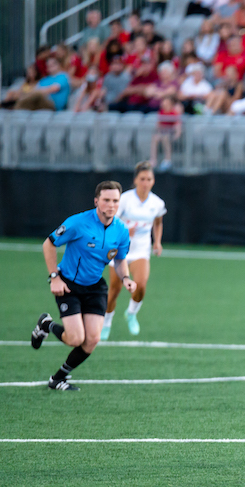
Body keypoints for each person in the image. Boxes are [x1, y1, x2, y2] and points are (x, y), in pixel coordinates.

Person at [30, 181, 136, 391]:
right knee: (75, 338)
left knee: (92, 339)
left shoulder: (121, 231)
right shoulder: (78, 222)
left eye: (115, 200)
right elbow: (49, 244)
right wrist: (54, 277)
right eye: (106, 200)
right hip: (68, 285)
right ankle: (46, 325)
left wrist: (125, 278)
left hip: (95, 287)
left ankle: (58, 378)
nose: (111, 205)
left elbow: (120, 259)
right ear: (96, 201)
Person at [102, 162, 166, 340]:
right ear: (135, 180)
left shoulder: (157, 203)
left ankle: (131, 313)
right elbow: (108, 220)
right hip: (119, 250)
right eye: (142, 179)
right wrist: (123, 232)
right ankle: (106, 323)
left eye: (149, 179)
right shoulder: (124, 200)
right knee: (114, 291)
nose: (145, 182)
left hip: (141, 251)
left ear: (153, 181)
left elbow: (158, 222)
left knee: (141, 285)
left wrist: (157, 242)